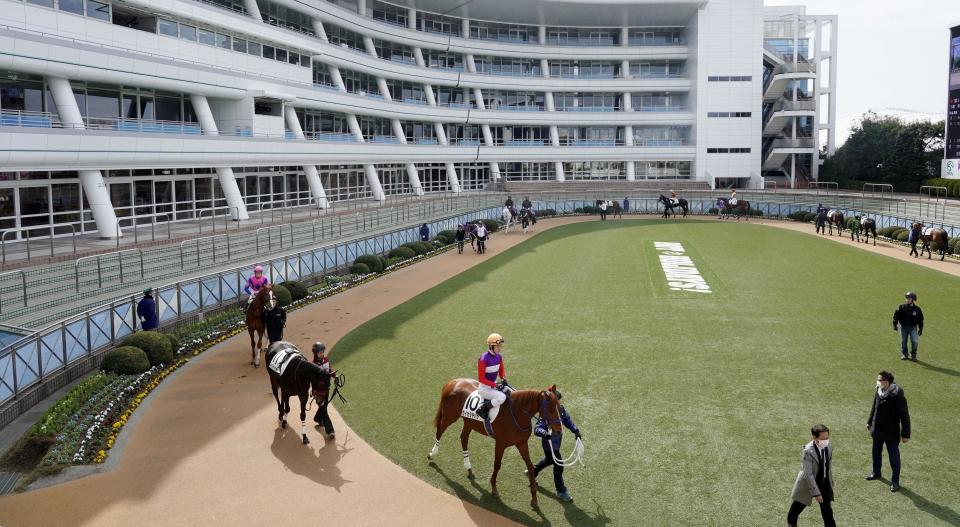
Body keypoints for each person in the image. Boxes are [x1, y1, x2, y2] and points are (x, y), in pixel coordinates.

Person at [531, 387, 581, 503]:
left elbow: (567, 421)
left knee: (549, 460)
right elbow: (537, 429)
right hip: (549, 444)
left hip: (557, 443)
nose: (558, 403)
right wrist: (545, 433)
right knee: (559, 465)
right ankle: (561, 491)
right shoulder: (546, 414)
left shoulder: (561, 410)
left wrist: (576, 430)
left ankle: (532, 472)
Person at [866, 370, 911, 492]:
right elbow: (874, 406)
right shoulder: (879, 390)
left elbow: (904, 415)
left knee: (894, 457)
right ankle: (876, 472)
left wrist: (905, 434)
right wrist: (869, 421)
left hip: (891, 432)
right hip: (877, 429)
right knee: (876, 452)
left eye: (880, 380)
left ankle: (895, 481)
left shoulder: (897, 395)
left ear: (887, 382)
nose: (878, 382)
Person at [787, 424, 836, 527]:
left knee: (828, 513)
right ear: (814, 437)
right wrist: (816, 493)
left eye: (827, 438)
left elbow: (828, 466)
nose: (826, 441)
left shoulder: (829, 446)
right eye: (823, 438)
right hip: (807, 484)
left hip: (824, 483)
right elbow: (808, 474)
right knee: (795, 511)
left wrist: (830, 481)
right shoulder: (807, 451)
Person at [476, 333, 507, 429]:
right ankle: (482, 409)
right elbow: (481, 379)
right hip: (484, 389)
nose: (499, 348)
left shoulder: (499, 357)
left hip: (493, 386)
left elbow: (501, 370)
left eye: (500, 346)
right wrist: (495, 384)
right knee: (502, 398)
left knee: (510, 392)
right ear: (490, 346)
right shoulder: (483, 359)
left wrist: (504, 378)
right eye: (497, 346)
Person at [311, 342, 336, 439]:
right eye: (320, 352)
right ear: (315, 354)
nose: (322, 354)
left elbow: (329, 369)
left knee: (324, 406)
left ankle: (317, 418)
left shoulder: (326, 359)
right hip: (318, 392)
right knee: (324, 410)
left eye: (323, 352)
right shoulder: (312, 365)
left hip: (326, 388)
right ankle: (330, 431)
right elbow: (312, 380)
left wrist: (335, 376)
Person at [892, 292, 923, 360]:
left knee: (915, 341)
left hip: (913, 328)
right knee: (904, 341)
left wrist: (921, 329)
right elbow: (895, 316)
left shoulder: (917, 309)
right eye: (906, 298)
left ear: (913, 299)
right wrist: (895, 324)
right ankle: (905, 354)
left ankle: (913, 355)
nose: (907, 300)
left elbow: (920, 320)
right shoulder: (901, 307)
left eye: (909, 298)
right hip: (903, 327)